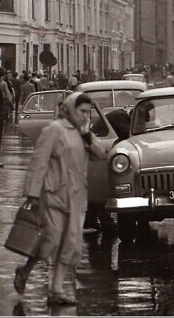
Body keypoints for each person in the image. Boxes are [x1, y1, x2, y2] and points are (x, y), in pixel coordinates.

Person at [13, 93, 106, 305]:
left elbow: (101, 154)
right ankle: (25, 270)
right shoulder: (54, 129)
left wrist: (87, 136)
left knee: (71, 244)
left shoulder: (84, 133)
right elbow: (39, 162)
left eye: (88, 112)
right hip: (53, 194)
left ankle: (56, 290)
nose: (84, 116)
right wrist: (32, 193)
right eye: (81, 111)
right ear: (71, 109)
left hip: (77, 196)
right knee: (50, 239)